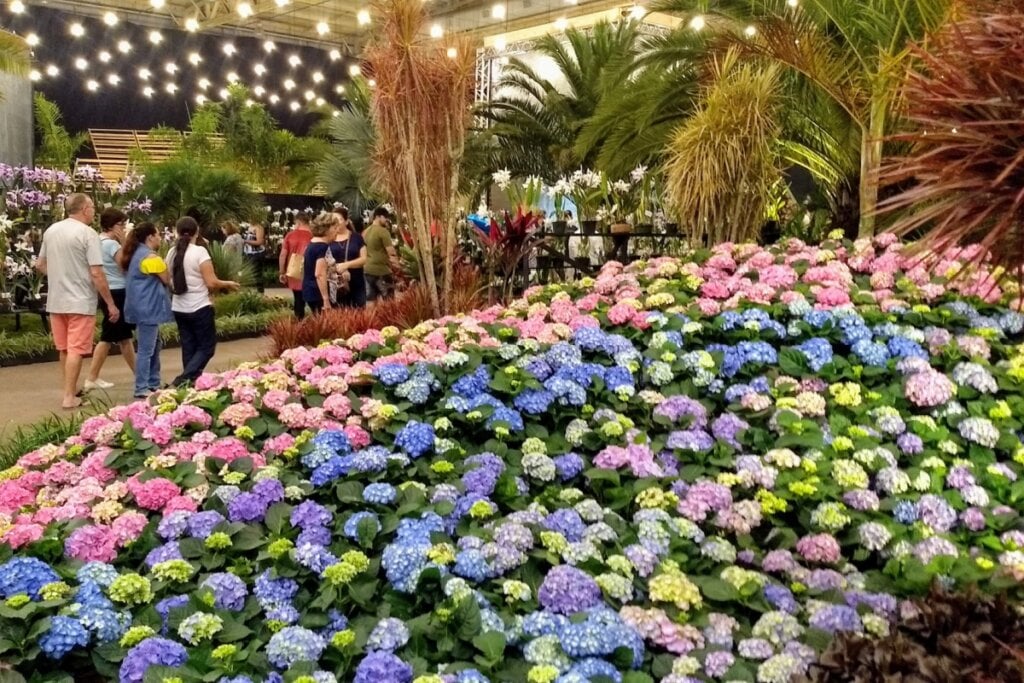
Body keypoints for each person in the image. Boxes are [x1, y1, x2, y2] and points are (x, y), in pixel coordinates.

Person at [35, 193, 120, 409]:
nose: (94, 211)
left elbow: (40, 264)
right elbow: (97, 273)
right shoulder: (88, 234)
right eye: (92, 206)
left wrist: (59, 275)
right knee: (76, 349)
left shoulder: (51, 230)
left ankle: (69, 391)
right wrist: (110, 303)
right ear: (84, 209)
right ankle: (69, 397)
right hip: (80, 300)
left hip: (56, 299)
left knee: (64, 348)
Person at [165, 217, 240, 387]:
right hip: (198, 306)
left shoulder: (171, 252)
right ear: (197, 232)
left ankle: (189, 384)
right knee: (207, 347)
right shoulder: (199, 252)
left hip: (179, 306)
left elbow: (167, 278)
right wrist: (227, 283)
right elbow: (211, 282)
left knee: (188, 346)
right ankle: (183, 379)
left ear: (176, 232)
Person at [84, 207, 136, 391]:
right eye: (121, 225)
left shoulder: (97, 241)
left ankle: (138, 374)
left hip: (107, 291)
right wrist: (125, 243)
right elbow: (125, 266)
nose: (123, 228)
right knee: (110, 335)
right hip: (118, 291)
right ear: (113, 226)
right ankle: (92, 377)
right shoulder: (112, 245)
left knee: (123, 337)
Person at [120, 222, 173, 399]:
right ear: (150, 237)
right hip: (149, 308)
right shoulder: (152, 258)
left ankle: (153, 382)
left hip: (139, 306)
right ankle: (142, 386)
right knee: (146, 349)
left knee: (153, 345)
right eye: (158, 234)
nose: (160, 238)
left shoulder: (134, 254)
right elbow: (166, 278)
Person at [301, 212, 339, 315]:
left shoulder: (312, 244)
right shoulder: (322, 247)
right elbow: (319, 274)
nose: (337, 231)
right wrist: (326, 300)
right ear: (327, 229)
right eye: (335, 228)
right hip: (318, 293)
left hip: (309, 290)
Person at [278, 211, 313, 319]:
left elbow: (283, 255)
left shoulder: (290, 235)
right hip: (311, 270)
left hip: (294, 270)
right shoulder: (314, 235)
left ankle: (299, 323)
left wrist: (282, 272)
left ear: (298, 222)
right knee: (314, 299)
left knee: (298, 298)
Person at [331, 207, 368, 308]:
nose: (336, 222)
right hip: (336, 284)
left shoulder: (356, 238)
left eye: (339, 219)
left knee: (358, 313)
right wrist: (338, 269)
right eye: (333, 219)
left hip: (356, 282)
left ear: (346, 221)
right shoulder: (328, 238)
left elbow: (364, 258)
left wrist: (347, 265)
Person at [363, 206, 398, 303]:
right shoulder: (383, 231)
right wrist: (398, 265)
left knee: (371, 301)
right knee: (389, 303)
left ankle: (371, 319)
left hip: (367, 270)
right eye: (385, 217)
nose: (386, 220)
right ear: (378, 217)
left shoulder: (365, 232)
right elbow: (391, 252)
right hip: (381, 271)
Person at [241, 221, 266, 292]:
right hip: (247, 253)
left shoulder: (259, 228)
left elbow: (259, 242)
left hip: (256, 253)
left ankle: (260, 291)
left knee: (257, 273)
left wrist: (245, 241)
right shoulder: (248, 227)